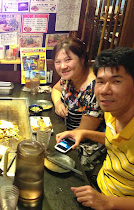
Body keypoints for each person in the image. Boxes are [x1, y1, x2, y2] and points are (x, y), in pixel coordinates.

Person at [56, 47, 134, 209]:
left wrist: (108, 202)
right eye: (100, 82)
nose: (105, 90)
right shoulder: (111, 113)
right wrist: (84, 132)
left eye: (116, 81)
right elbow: (116, 142)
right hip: (98, 184)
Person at [51, 37, 103, 131]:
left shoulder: (94, 89)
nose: (62, 66)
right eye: (58, 62)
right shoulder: (68, 78)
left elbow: (83, 132)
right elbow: (56, 89)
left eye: (68, 60)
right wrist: (58, 103)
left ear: (82, 59)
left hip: (83, 142)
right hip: (65, 131)